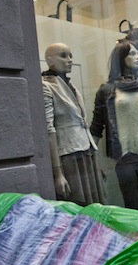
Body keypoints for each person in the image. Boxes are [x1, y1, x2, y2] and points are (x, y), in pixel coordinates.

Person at [90, 39, 138, 215]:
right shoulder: (107, 90)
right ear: (121, 57)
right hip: (124, 156)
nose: (137, 56)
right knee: (132, 209)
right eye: (132, 53)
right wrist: (93, 161)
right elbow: (96, 126)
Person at [42, 43, 106, 206]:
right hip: (69, 157)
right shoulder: (46, 86)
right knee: (79, 206)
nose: (69, 60)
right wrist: (58, 174)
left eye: (71, 56)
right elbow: (49, 130)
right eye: (63, 56)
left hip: (86, 152)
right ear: (49, 60)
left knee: (95, 206)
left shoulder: (70, 85)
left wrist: (96, 164)